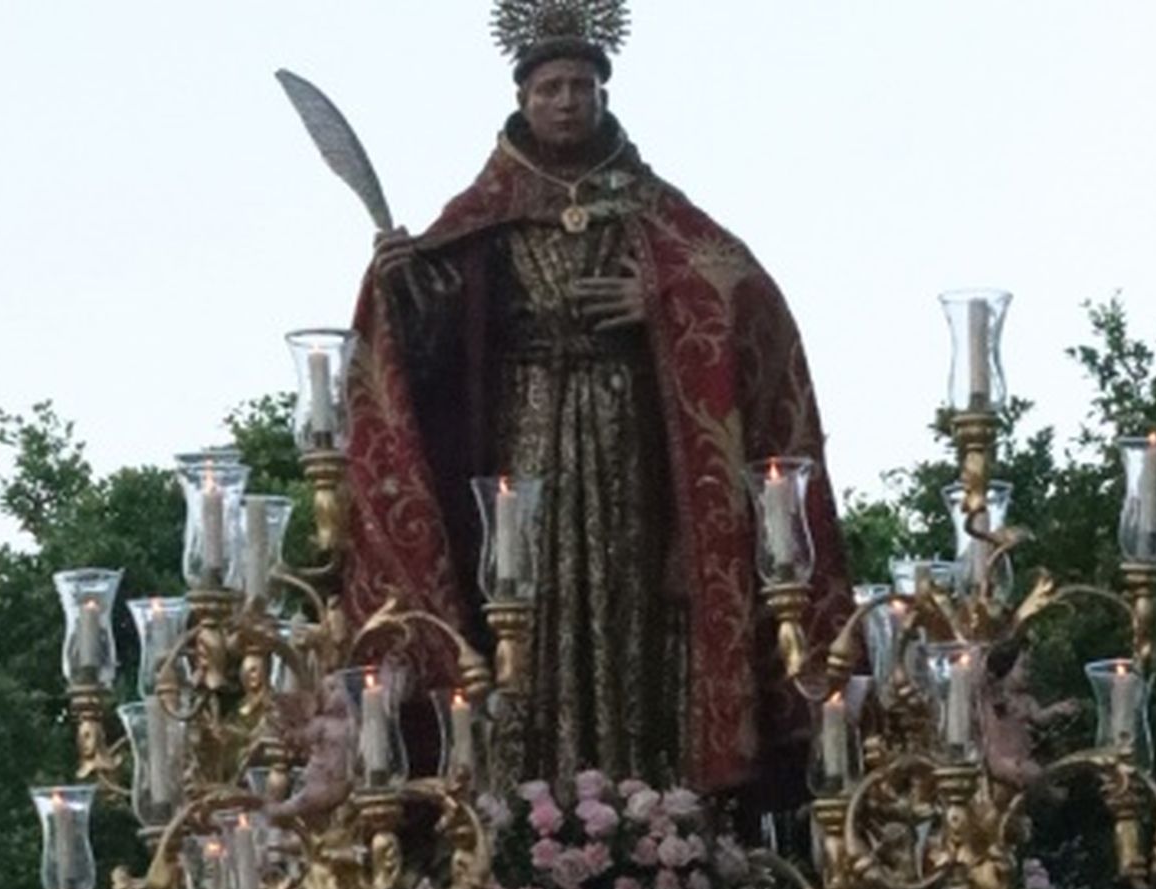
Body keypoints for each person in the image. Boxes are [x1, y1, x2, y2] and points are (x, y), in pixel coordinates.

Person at [348, 3, 849, 795]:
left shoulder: (650, 204)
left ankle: (651, 805)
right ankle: (530, 813)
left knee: (633, 609)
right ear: (523, 98)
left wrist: (665, 296)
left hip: (632, 443)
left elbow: (748, 291)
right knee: (528, 606)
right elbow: (434, 354)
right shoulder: (485, 213)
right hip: (523, 434)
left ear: (604, 94)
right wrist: (406, 289)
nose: (568, 101)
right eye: (551, 87)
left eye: (583, 85)